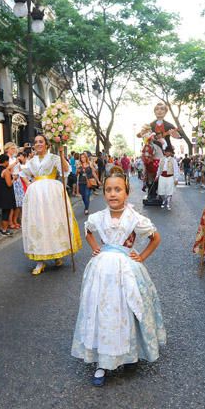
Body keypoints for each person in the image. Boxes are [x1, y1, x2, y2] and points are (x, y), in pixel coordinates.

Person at [71, 166, 164, 387]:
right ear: (103, 193)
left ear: (127, 192)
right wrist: (95, 248)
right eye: (109, 190)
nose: (113, 194)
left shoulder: (135, 218)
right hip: (101, 271)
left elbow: (155, 238)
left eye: (118, 189)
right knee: (102, 310)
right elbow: (88, 230)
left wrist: (141, 257)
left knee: (127, 308)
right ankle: (102, 361)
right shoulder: (98, 217)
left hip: (127, 269)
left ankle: (130, 352)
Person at [21, 135, 82, 275]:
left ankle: (57, 254)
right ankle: (40, 261)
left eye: (41, 141)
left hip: (52, 194)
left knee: (54, 222)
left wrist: (61, 153)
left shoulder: (54, 157)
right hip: (36, 195)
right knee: (39, 223)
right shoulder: (31, 161)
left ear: (47, 144)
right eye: (36, 142)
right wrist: (29, 184)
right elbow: (23, 173)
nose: (38, 144)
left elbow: (66, 170)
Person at [0, 154, 16, 236]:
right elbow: (9, 184)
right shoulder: (5, 171)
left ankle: (2, 228)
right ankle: (4, 229)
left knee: (4, 211)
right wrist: (13, 179)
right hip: (6, 194)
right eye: (8, 161)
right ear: (6, 161)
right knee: (6, 211)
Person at [4, 142, 23, 230]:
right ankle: (10, 221)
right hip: (11, 180)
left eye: (14, 148)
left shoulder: (14, 158)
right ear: (7, 149)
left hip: (18, 180)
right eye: (12, 148)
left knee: (19, 203)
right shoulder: (6, 158)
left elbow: (20, 170)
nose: (14, 150)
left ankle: (15, 220)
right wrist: (15, 163)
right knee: (12, 203)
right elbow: (6, 169)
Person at [156, 145, 180, 210]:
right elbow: (159, 168)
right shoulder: (161, 159)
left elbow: (176, 170)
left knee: (169, 191)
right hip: (162, 176)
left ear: (171, 153)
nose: (167, 153)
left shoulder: (173, 160)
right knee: (161, 191)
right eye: (166, 152)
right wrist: (157, 176)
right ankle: (164, 200)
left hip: (170, 177)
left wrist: (176, 179)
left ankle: (168, 203)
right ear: (164, 152)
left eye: (169, 152)